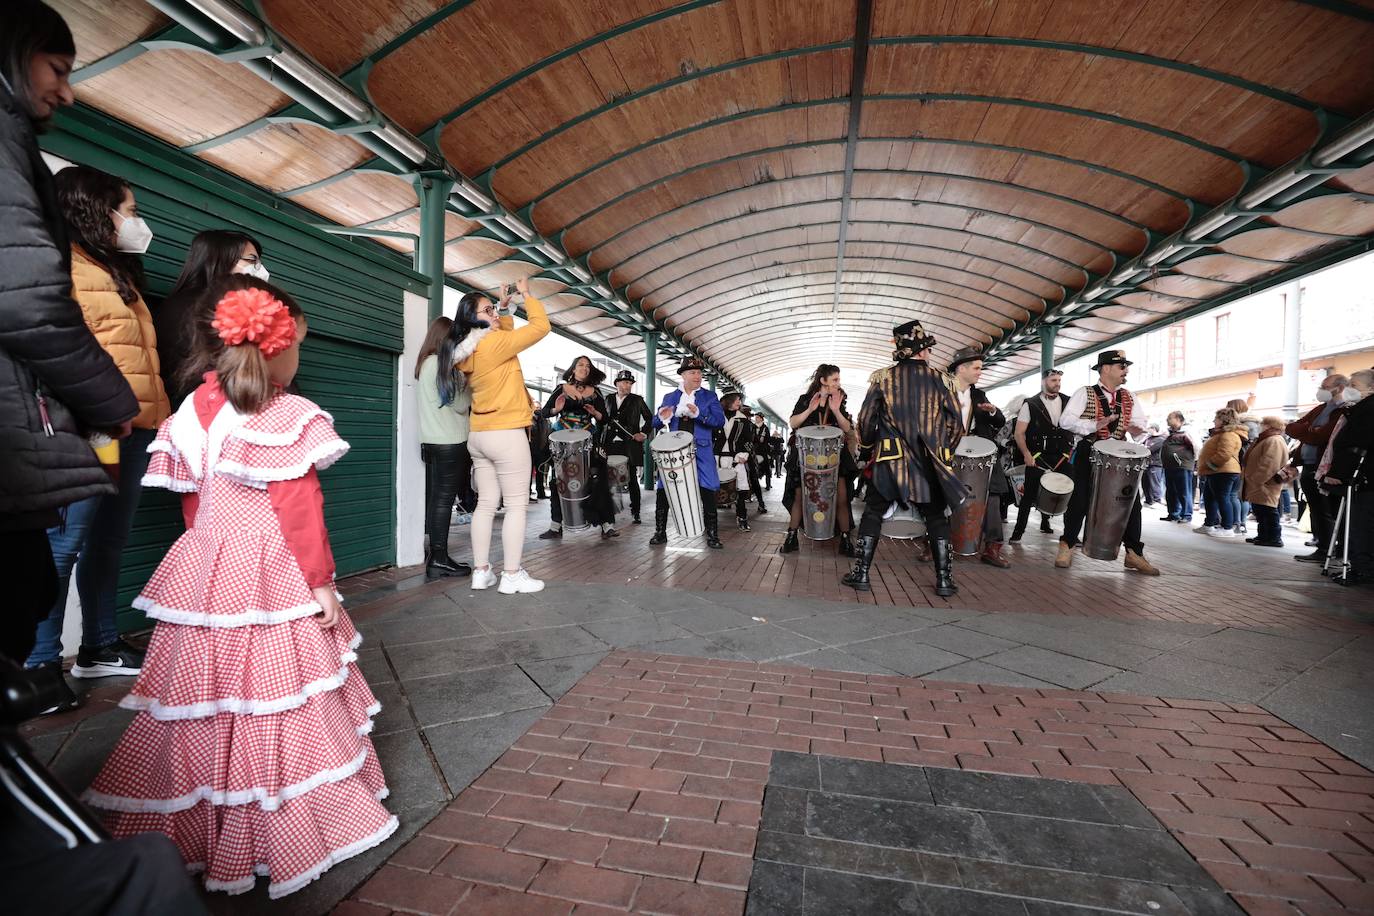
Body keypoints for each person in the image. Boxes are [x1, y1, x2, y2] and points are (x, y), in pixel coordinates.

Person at [81, 277, 395, 898]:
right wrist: (322, 583)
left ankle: (193, 827)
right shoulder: (283, 413)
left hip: (203, 567)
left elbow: (194, 508)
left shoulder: (185, 416)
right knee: (278, 695)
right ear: (280, 351)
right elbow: (300, 508)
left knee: (204, 697)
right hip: (273, 566)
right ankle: (281, 824)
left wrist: (211, 560)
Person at [24, 164, 173, 706]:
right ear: (94, 209)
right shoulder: (56, 264)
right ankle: (39, 663)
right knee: (65, 544)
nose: (136, 222)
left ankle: (100, 645)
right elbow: (55, 350)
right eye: (129, 210)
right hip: (89, 429)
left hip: (134, 426)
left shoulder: (117, 272)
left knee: (108, 540)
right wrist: (98, 409)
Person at [843, 320, 965, 596]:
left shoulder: (883, 378)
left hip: (890, 460)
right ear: (920, 352)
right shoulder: (941, 380)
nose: (930, 354)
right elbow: (956, 425)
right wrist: (942, 450)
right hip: (928, 460)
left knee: (873, 512)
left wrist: (871, 444)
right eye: (928, 349)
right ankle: (944, 581)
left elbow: (864, 420)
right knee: (936, 516)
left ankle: (861, 574)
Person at [449, 277, 549, 593]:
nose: (493, 313)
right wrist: (528, 295)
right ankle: (512, 575)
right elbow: (541, 327)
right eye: (488, 310)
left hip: (479, 435)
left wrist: (504, 309)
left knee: (486, 504)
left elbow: (501, 338)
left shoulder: (468, 350)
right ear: (474, 318)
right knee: (517, 505)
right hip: (506, 433)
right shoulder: (494, 344)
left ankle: (482, 572)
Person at [1053, 350, 1160, 575]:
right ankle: (1067, 545)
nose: (1126, 371)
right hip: (1089, 450)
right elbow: (1066, 422)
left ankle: (1133, 553)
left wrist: (1139, 430)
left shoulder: (1129, 397)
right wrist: (1095, 424)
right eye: (1122, 367)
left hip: (1120, 452)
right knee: (1080, 500)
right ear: (1106, 368)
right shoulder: (1085, 393)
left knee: (1131, 502)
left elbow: (1138, 426)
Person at [155, 229, 266, 404]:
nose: (261, 270)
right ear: (220, 259)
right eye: (252, 260)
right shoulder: (197, 308)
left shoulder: (184, 302)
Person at [414, 316, 472, 580]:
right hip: (450, 442)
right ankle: (439, 558)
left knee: (438, 500)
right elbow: (459, 405)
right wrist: (469, 385)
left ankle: (437, 555)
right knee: (443, 501)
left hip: (431, 441)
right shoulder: (442, 365)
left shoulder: (425, 363)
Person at [779, 364, 857, 556]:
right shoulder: (806, 399)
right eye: (835, 380)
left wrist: (837, 411)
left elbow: (847, 429)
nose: (839, 383)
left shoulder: (838, 399)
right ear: (823, 381)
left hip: (835, 455)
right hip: (806, 455)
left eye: (838, 379)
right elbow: (794, 423)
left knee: (841, 496)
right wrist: (810, 409)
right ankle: (791, 538)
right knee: (800, 497)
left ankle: (845, 540)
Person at [650, 357, 726, 549]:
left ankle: (712, 535)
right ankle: (660, 532)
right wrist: (661, 416)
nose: (698, 376)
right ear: (683, 375)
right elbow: (655, 422)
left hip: (702, 449)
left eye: (700, 373)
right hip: (674, 450)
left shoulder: (710, 397)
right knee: (664, 489)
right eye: (692, 373)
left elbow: (719, 422)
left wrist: (699, 414)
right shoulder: (670, 397)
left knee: (707, 490)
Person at [539, 355, 619, 540]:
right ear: (573, 369)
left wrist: (595, 413)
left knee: (597, 479)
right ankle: (555, 526)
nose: (584, 368)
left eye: (587, 366)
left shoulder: (596, 392)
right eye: (580, 365)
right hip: (562, 439)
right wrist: (556, 411)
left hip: (587, 438)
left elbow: (605, 419)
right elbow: (544, 412)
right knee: (557, 481)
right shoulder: (561, 389)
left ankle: (607, 525)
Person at [946, 346, 1009, 567]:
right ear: (961, 368)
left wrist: (992, 411)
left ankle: (992, 548)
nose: (979, 372)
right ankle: (934, 543)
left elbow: (1000, 421)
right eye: (976, 368)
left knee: (992, 495)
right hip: (950, 452)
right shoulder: (941, 391)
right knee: (942, 496)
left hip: (981, 453)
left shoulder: (979, 395)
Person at [1288, 373, 1352, 564]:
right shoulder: (1320, 409)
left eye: (1326, 386)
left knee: (1327, 509)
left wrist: (1308, 431)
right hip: (1308, 465)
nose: (1321, 390)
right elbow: (1292, 428)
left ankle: (1329, 549)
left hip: (1324, 466)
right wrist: (1309, 431)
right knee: (1316, 508)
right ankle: (1323, 545)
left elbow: (1323, 435)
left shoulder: (1344, 410)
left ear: (1340, 388)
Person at [1323, 369, 1372, 583]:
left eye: (1355, 385)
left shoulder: (1367, 410)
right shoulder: (1360, 408)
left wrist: (1339, 472)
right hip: (1360, 475)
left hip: (1362, 475)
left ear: (1370, 388)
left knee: (1361, 524)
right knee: (1359, 523)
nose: (1350, 389)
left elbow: (1357, 444)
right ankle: (1360, 566)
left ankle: (1363, 569)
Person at [1011, 369, 1071, 541]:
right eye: (1053, 380)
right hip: (1038, 457)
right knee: (1028, 496)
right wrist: (1026, 454)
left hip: (1063, 457)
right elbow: (1019, 433)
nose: (1057, 383)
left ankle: (1069, 535)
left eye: (1059, 380)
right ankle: (1017, 533)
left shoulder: (1069, 401)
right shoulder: (1030, 403)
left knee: (1072, 494)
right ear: (1044, 381)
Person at [603, 369, 652, 524]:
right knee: (608, 479)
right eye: (625, 382)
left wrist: (643, 434)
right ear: (617, 383)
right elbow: (601, 421)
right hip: (609, 444)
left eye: (630, 383)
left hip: (629, 444)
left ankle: (636, 511)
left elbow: (650, 419)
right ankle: (609, 511)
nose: (628, 386)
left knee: (631, 480)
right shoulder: (608, 399)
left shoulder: (637, 400)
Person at [1196, 407, 1248, 539]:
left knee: (1223, 499)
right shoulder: (1222, 434)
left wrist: (1210, 465)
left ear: (1224, 420)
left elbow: (1224, 453)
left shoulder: (1228, 435)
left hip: (1223, 471)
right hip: (1219, 471)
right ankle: (1209, 524)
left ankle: (1227, 527)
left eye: (1217, 418)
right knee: (1210, 498)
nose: (1214, 421)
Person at [1242, 416, 1290, 548]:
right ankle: (1263, 535)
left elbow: (1269, 463)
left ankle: (1274, 537)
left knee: (1268, 509)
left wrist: (1257, 479)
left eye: (1262, 423)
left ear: (1269, 425)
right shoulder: (1266, 439)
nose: (1260, 425)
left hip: (1266, 482)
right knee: (1260, 509)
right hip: (1260, 482)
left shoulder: (1274, 440)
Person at [715, 391, 758, 531]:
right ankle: (709, 519)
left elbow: (749, 440)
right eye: (737, 400)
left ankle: (742, 518)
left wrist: (744, 455)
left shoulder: (743, 420)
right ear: (728, 401)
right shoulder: (716, 417)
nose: (739, 403)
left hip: (736, 459)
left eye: (740, 400)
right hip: (716, 458)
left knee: (739, 489)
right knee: (712, 489)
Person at [1160, 411, 1196, 523]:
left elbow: (1196, 447)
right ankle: (1173, 513)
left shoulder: (1187, 432)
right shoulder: (1170, 433)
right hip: (1170, 466)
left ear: (1179, 419)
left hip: (1182, 466)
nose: (1167, 420)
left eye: (1170, 418)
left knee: (1184, 491)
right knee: (1171, 491)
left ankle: (1186, 514)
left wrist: (1195, 464)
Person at [1142, 425, 1166, 506]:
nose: (1148, 430)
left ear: (1154, 429)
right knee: (1145, 483)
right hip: (1146, 464)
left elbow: (1150, 449)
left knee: (1154, 483)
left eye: (1150, 429)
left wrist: (1144, 447)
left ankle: (1157, 499)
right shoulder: (1147, 438)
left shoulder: (1160, 439)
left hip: (1155, 464)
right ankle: (1148, 500)